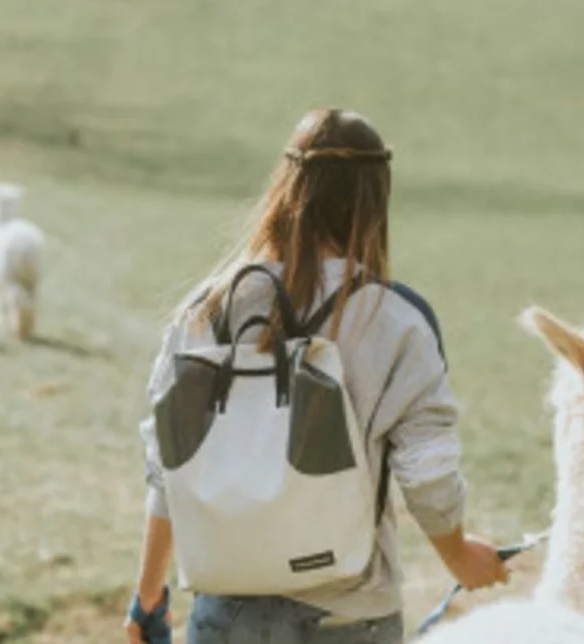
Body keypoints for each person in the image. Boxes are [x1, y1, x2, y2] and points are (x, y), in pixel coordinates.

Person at [124, 109, 509, 644]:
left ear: (286, 187)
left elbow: (168, 465)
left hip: (228, 615)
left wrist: (147, 598)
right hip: (351, 616)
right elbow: (426, 470)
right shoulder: (397, 320)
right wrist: (460, 555)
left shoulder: (207, 309)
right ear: (377, 199)